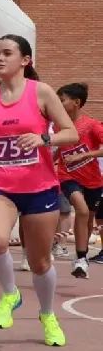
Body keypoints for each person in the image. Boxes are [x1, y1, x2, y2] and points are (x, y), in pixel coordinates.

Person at [0, 34, 77, 347]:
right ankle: (10, 295)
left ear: (25, 60)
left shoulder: (41, 92)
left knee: (40, 263)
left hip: (39, 187)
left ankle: (47, 315)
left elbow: (70, 133)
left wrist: (43, 139)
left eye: (7, 53)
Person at [54, 82, 103, 279]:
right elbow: (60, 147)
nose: (59, 103)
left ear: (76, 102)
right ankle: (82, 258)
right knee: (81, 210)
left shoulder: (91, 125)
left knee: (88, 218)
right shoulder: (59, 125)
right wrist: (50, 162)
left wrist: (83, 156)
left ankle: (79, 257)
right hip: (67, 177)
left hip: (92, 180)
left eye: (62, 100)